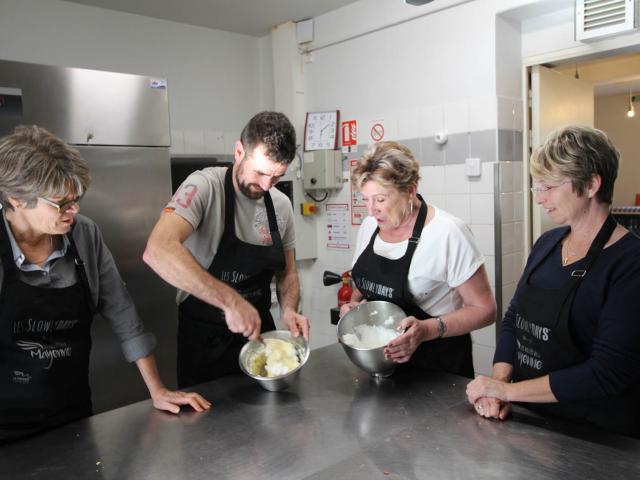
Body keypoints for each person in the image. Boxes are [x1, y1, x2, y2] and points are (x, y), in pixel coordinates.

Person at [0, 125, 210, 442]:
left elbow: (123, 314)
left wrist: (158, 390)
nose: (75, 210)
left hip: (73, 414)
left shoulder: (84, 235)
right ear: (16, 199)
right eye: (62, 204)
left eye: (77, 198)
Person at [466, 125, 640, 438]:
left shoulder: (630, 263)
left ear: (590, 185)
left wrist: (508, 393)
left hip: (596, 435)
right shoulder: (547, 244)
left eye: (547, 187)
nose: (539, 198)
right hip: (529, 420)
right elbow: (513, 321)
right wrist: (500, 383)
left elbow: (606, 373)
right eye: (537, 188)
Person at [143, 111, 309, 388]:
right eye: (260, 172)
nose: (266, 185)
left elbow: (287, 272)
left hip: (259, 338)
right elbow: (158, 250)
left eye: (277, 177)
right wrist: (230, 301)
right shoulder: (204, 187)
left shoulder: (280, 205)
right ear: (239, 151)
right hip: (204, 342)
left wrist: (289, 310)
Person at [341, 141, 496, 378]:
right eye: (365, 199)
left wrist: (427, 330)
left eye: (380, 200)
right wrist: (354, 308)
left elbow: (485, 310)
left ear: (411, 190)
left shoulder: (448, 233)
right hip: (381, 368)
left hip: (437, 370)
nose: (371, 210)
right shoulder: (369, 226)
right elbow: (361, 288)